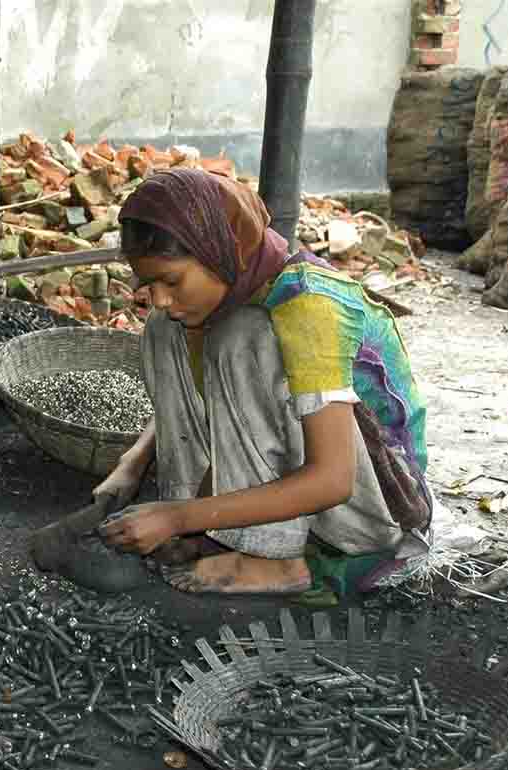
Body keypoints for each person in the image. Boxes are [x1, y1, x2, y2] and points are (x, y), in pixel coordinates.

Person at [90, 168, 432, 596]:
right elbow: (207, 400)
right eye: (150, 283)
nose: (159, 297)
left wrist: (179, 516)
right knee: (163, 327)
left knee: (242, 337)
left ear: (218, 251)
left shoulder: (309, 307)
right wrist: (132, 465)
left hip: (378, 500)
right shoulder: (225, 294)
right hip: (296, 471)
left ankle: (280, 559)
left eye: (172, 280)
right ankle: (206, 525)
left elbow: (333, 480)